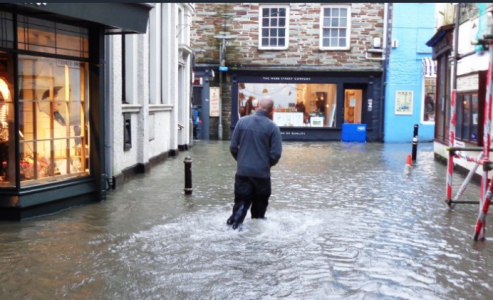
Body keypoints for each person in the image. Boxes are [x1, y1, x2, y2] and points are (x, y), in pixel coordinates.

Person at [227, 95, 283, 230]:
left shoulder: (242, 123)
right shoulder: (273, 128)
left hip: (243, 173)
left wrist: (241, 161)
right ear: (272, 110)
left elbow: (233, 147)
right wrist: (264, 165)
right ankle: (256, 247)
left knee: (240, 205)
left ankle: (233, 230)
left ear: (258, 106)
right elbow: (276, 154)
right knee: (259, 216)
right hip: (262, 176)